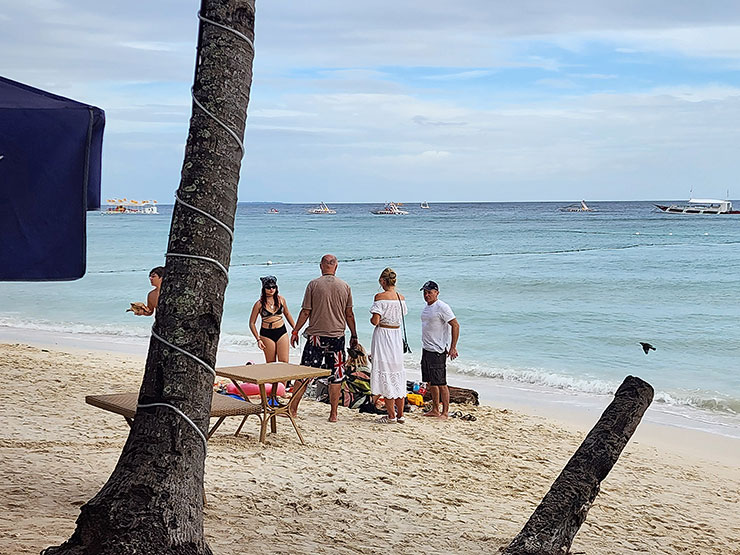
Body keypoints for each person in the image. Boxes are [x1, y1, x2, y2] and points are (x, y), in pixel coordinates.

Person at [290, 254, 358, 422]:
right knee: (336, 375)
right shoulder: (345, 286)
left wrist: (295, 330)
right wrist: (354, 334)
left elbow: (306, 311)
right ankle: (333, 414)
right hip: (337, 337)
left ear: (321, 266)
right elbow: (349, 314)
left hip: (315, 337)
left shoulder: (313, 285)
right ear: (336, 266)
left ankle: (292, 409)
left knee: (305, 372)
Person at [369, 267, 408, 423]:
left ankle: (391, 415)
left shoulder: (380, 297)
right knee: (397, 372)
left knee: (385, 372)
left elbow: (376, 321)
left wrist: (372, 318)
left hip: (384, 336)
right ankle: (401, 415)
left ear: (382, 281)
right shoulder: (401, 298)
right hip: (396, 336)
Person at [420, 280, 459, 419]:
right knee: (431, 382)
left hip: (438, 350)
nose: (426, 295)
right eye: (425, 292)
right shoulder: (426, 308)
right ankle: (435, 409)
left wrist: (453, 347)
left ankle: (445, 412)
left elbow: (455, 325)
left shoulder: (442, 307)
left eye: (429, 292)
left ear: (437, 293)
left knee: (441, 382)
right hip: (426, 349)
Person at [248, 275, 296, 363]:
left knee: (284, 362)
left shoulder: (281, 300)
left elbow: (287, 314)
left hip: (281, 332)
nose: (271, 289)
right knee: (271, 363)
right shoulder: (259, 304)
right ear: (263, 289)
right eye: (268, 287)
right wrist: (258, 339)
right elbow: (251, 323)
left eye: (273, 287)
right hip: (266, 334)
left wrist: (295, 329)